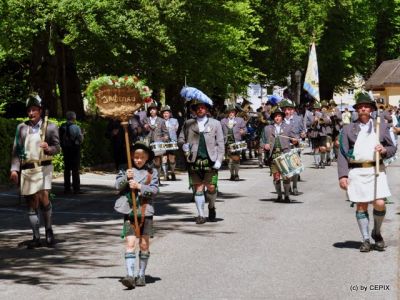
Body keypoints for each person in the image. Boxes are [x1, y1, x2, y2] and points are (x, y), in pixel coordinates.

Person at [338, 92, 397, 252]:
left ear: (371, 109)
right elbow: (342, 154)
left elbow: (393, 148)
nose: (363, 109)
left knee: (379, 203)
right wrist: (343, 175)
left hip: (376, 170)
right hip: (357, 172)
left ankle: (376, 233)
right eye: (360, 107)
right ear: (357, 110)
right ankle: (365, 239)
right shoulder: (348, 129)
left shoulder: (381, 126)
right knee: (361, 206)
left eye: (366, 106)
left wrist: (384, 149)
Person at [10, 94, 60, 248]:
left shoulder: (50, 126)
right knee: (32, 202)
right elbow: (16, 150)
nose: (31, 113)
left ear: (40, 110)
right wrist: (14, 170)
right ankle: (36, 237)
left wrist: (49, 148)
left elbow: (57, 148)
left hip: (44, 167)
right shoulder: (21, 127)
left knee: (44, 196)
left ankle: (49, 230)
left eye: (34, 110)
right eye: (29, 110)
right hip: (27, 169)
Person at [115, 142, 159, 288]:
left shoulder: (152, 172)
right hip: (129, 211)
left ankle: (141, 275)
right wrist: (125, 179)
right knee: (130, 243)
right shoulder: (125, 169)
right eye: (136, 157)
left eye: (141, 157)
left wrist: (139, 186)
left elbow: (154, 191)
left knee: (144, 244)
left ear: (147, 158)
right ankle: (130, 275)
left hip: (146, 211)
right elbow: (116, 186)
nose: (138, 160)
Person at [178, 91, 224, 224]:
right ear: (194, 111)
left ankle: (211, 206)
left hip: (211, 160)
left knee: (211, 187)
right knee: (198, 187)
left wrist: (219, 160)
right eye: (197, 108)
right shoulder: (188, 123)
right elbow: (181, 138)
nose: (200, 110)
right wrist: (183, 145)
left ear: (207, 110)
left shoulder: (215, 123)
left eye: (202, 107)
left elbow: (220, 143)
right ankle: (201, 215)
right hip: (194, 159)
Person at [261, 106, 298, 203]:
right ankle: (279, 195)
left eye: (279, 116)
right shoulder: (268, 128)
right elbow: (262, 141)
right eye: (275, 116)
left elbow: (295, 138)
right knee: (276, 177)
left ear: (282, 117)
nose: (277, 118)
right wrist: (265, 145)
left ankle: (286, 195)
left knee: (286, 177)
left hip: (285, 155)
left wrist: (295, 140)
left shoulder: (288, 127)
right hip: (273, 156)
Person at [280, 99, 306, 195]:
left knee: (295, 168)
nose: (287, 111)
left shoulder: (298, 119)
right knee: (286, 168)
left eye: (289, 109)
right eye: (285, 110)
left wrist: (303, 135)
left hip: (295, 146)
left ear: (292, 110)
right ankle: (288, 187)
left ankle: (295, 187)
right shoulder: (280, 120)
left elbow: (302, 131)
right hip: (284, 146)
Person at [142, 103, 168, 181]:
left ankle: (158, 178)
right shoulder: (145, 119)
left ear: (157, 110)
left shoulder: (161, 120)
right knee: (149, 161)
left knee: (157, 162)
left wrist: (165, 138)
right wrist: (145, 128)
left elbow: (165, 132)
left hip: (158, 142)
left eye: (154, 109)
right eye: (151, 109)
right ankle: (150, 178)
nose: (152, 111)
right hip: (148, 142)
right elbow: (143, 131)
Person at [59, 111, 84, 194]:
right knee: (75, 169)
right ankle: (76, 189)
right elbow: (80, 140)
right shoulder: (76, 127)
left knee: (67, 169)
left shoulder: (62, 126)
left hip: (65, 149)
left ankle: (67, 188)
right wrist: (82, 134)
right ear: (74, 118)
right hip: (74, 149)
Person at [220, 105, 247, 181]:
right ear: (227, 113)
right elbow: (219, 131)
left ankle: (236, 174)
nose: (231, 113)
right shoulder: (223, 121)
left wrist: (243, 132)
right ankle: (232, 174)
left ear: (235, 112)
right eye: (230, 112)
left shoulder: (240, 120)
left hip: (237, 142)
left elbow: (245, 129)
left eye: (233, 112)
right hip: (227, 142)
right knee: (229, 160)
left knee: (236, 159)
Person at [309, 101, 332, 168]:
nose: (316, 111)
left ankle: (322, 161)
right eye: (315, 109)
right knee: (316, 149)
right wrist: (314, 121)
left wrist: (322, 120)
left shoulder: (324, 114)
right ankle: (317, 163)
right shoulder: (311, 115)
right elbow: (308, 124)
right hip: (314, 134)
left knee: (323, 148)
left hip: (322, 134)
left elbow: (329, 121)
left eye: (318, 109)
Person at [160, 105, 179, 181]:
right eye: (164, 113)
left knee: (172, 158)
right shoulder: (160, 121)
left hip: (172, 141)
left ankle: (173, 172)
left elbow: (176, 129)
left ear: (170, 114)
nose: (165, 114)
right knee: (164, 158)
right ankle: (165, 174)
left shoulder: (175, 120)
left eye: (167, 113)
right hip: (163, 142)